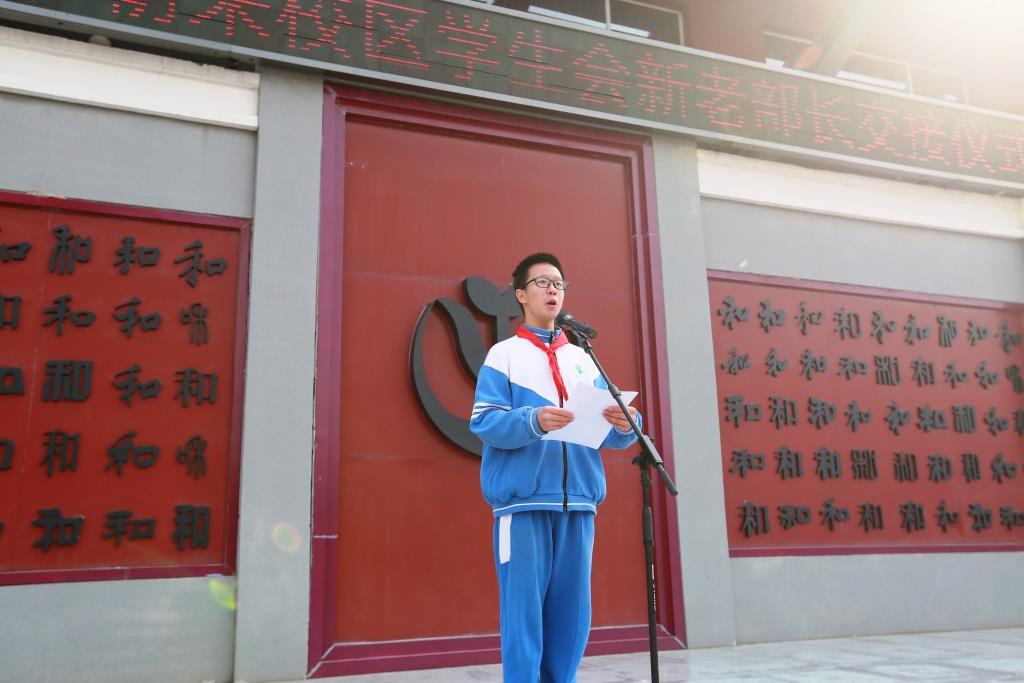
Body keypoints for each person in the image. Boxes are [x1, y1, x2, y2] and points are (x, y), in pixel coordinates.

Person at [470, 252, 640, 683]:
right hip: (523, 505)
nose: (552, 290)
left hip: (579, 502)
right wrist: (534, 420)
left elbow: (608, 430)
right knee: (523, 615)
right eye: (542, 282)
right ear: (521, 295)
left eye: (559, 283)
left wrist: (625, 425)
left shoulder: (584, 358)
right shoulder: (503, 355)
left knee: (572, 615)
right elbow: (485, 422)